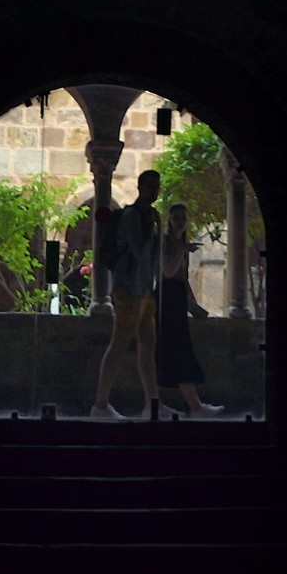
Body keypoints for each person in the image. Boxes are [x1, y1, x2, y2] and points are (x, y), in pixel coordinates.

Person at [90, 168, 162, 420]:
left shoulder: (149, 216)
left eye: (157, 187)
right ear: (140, 187)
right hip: (129, 288)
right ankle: (100, 405)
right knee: (119, 344)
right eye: (150, 186)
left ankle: (152, 404)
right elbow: (140, 250)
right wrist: (153, 228)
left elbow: (153, 257)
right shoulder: (133, 216)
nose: (154, 191)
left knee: (148, 344)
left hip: (144, 289)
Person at [157, 202, 222, 417]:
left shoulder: (179, 244)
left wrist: (194, 306)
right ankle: (194, 406)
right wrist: (182, 250)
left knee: (177, 351)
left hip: (176, 299)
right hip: (167, 299)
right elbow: (168, 272)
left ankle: (193, 406)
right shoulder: (167, 242)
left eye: (183, 218)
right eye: (176, 217)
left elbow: (182, 279)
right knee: (176, 351)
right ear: (169, 220)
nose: (180, 222)